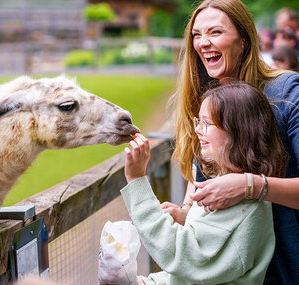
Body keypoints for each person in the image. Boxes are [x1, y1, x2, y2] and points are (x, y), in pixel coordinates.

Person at [167, 0, 299, 284]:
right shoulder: (206, 101)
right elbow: (202, 176)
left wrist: (251, 186)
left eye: (215, 32)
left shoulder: (288, 94)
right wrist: (185, 212)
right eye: (196, 35)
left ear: (244, 38)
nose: (203, 43)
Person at [120, 82, 287, 284]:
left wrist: (137, 181)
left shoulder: (245, 209)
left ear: (238, 130)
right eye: (198, 121)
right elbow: (190, 276)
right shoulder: (225, 189)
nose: (197, 130)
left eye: (206, 123)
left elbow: (179, 254)